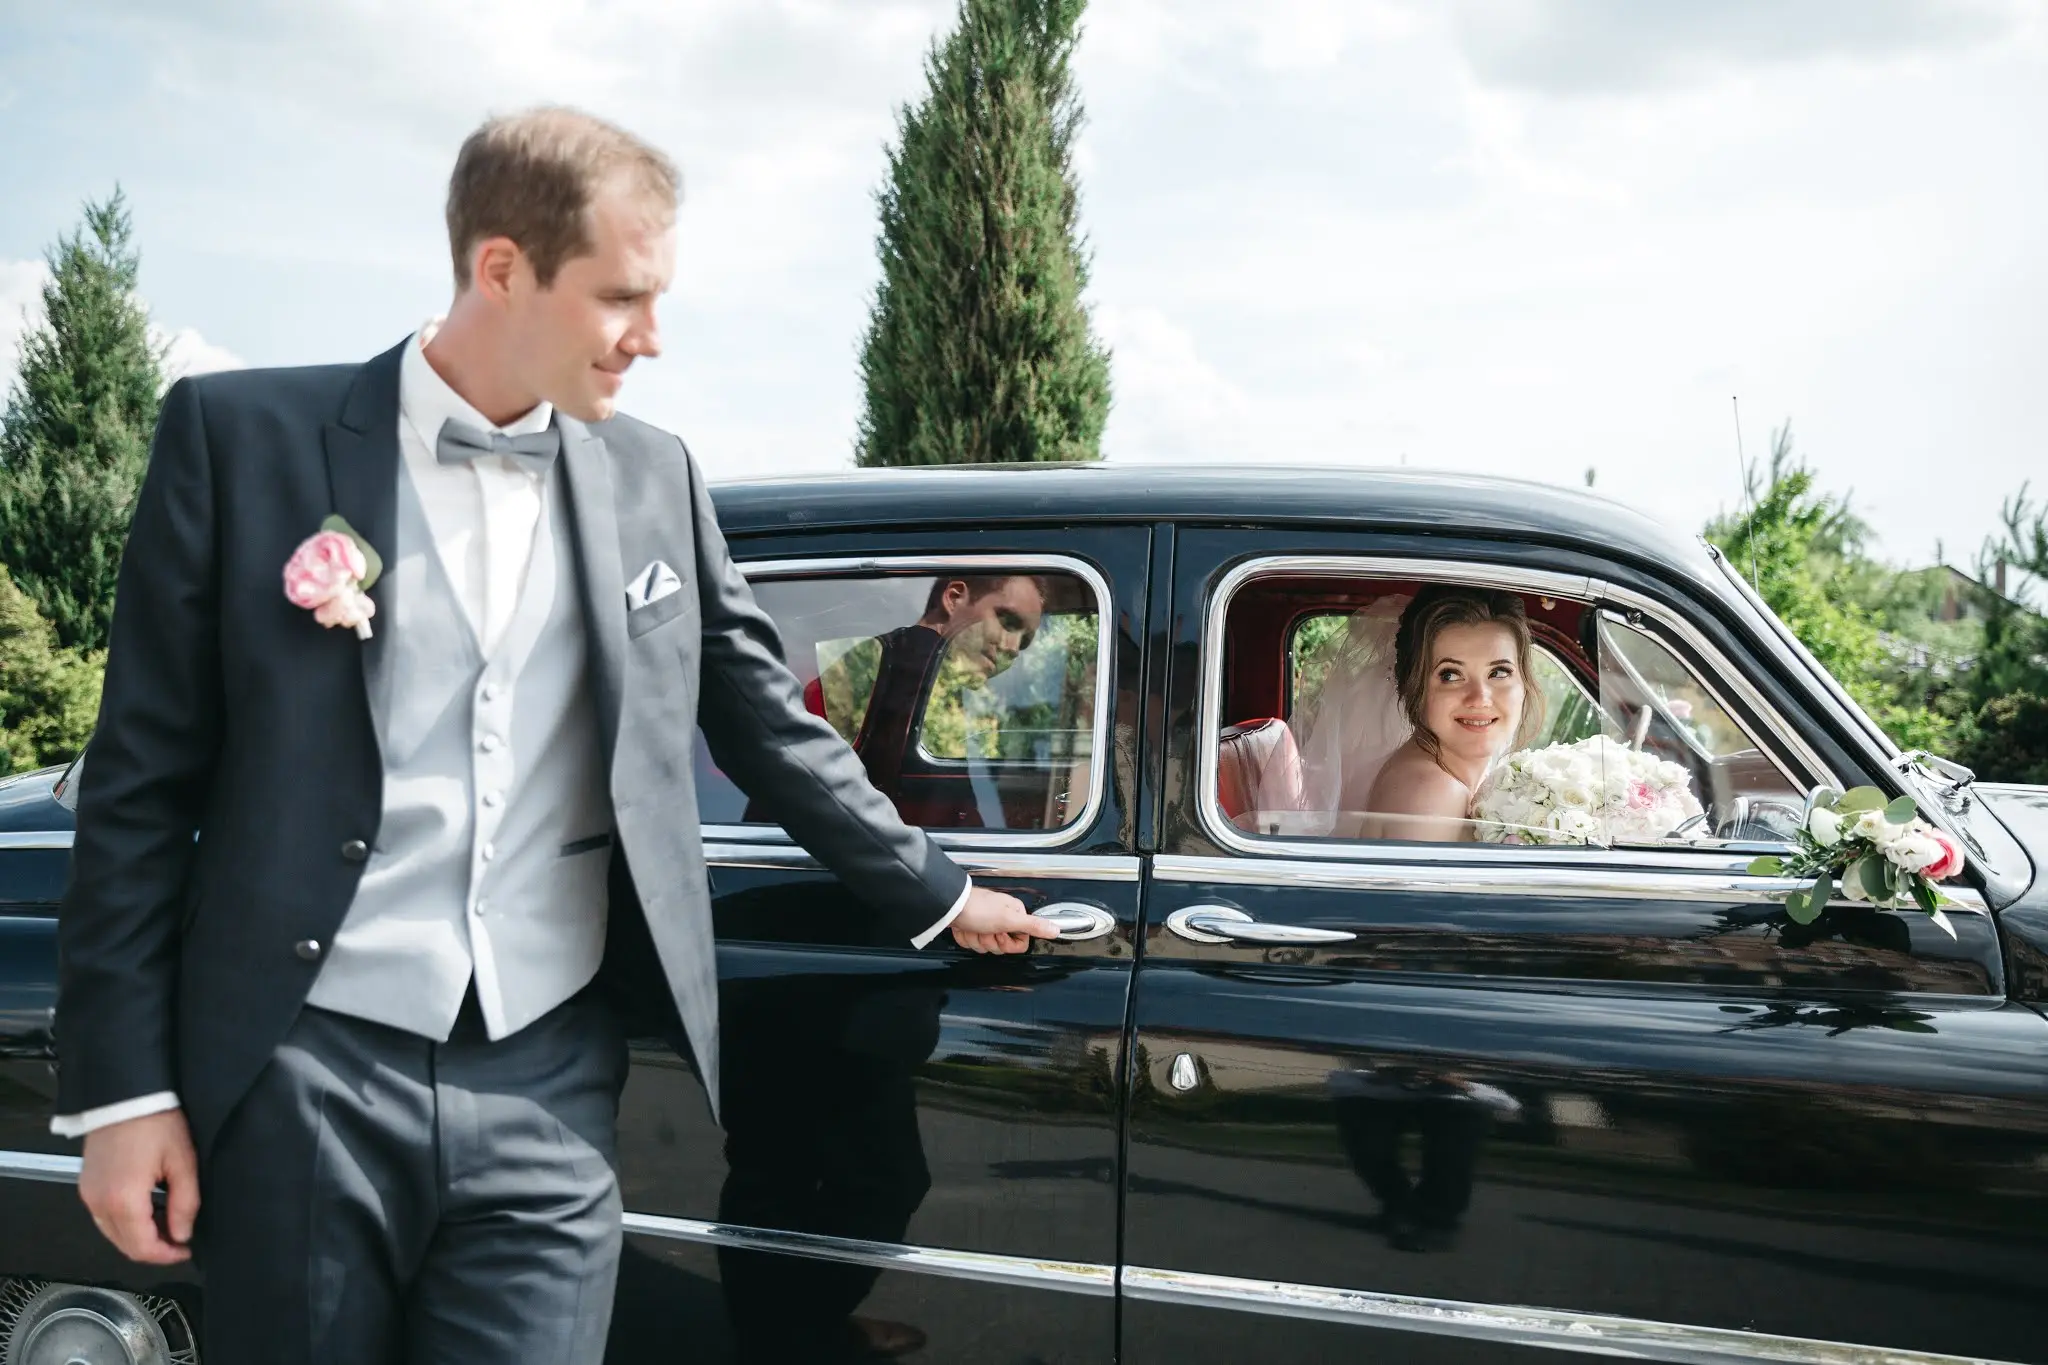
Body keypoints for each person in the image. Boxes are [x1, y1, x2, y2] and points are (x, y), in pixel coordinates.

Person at [53, 106, 1055, 1365]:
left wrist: (936, 889)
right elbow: (139, 791)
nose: (651, 337)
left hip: (549, 1079)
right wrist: (126, 1095)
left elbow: (762, 722)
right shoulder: (239, 440)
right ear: (503, 268)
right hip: (302, 1066)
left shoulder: (655, 474)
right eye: (622, 298)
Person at [815, 574, 1045, 801]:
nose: (1014, 649)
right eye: (1008, 621)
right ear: (954, 599)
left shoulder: (965, 704)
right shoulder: (867, 664)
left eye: (1024, 642)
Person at [1361, 585, 1544, 842]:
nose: (1480, 698)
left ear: (1524, 683)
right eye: (1450, 675)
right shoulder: (1434, 794)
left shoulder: (1435, 773)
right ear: (1415, 688)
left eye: (1499, 672)